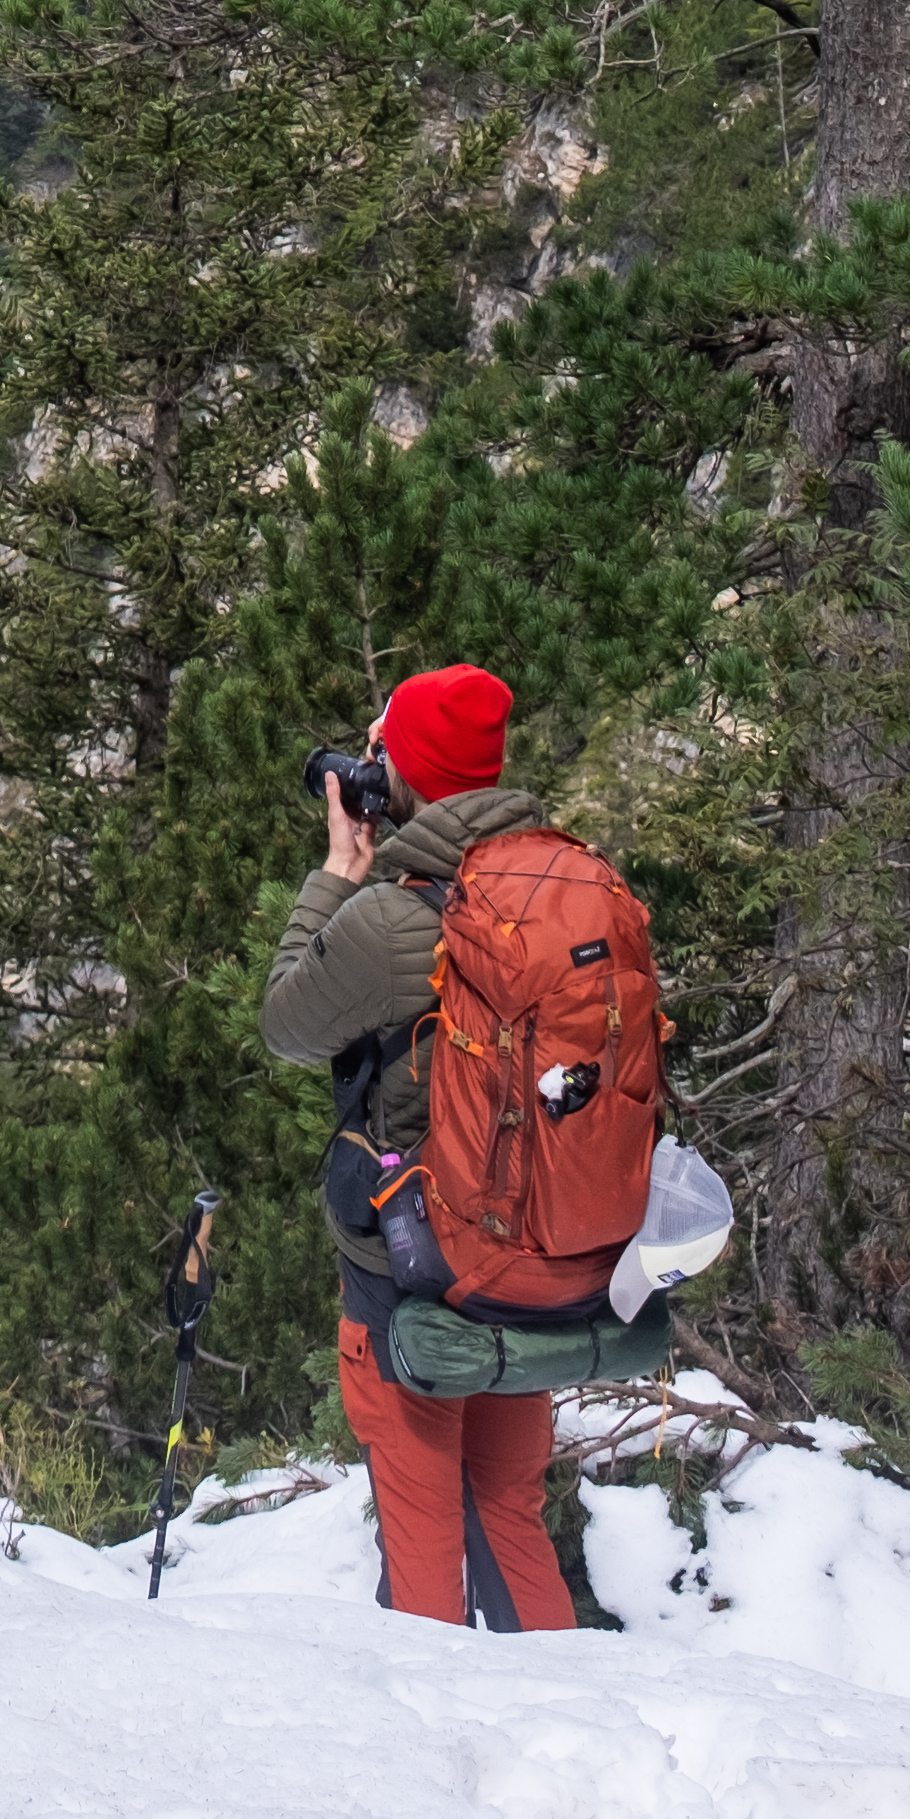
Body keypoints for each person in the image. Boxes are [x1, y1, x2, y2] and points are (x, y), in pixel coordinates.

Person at [258, 659, 577, 1632]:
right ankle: (565, 1736)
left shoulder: (392, 922)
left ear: (403, 780)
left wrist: (336, 872)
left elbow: (286, 1024)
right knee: (508, 1518)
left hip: (408, 1272)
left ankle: (429, 1769)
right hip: (531, 1260)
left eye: (379, 750)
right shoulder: (566, 887)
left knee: (423, 1528)